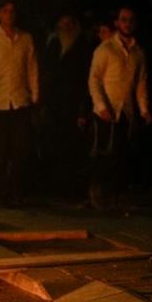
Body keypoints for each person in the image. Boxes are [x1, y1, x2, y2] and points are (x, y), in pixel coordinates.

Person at [0, 0, 39, 207]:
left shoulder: (26, 39)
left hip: (21, 100)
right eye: (5, 11)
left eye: (12, 11)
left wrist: (35, 96)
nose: (9, 14)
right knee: (0, 151)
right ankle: (2, 191)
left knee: (21, 150)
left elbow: (32, 68)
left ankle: (17, 191)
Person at [87, 6, 152, 209]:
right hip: (106, 110)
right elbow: (94, 79)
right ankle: (97, 193)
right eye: (123, 19)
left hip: (126, 110)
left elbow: (141, 83)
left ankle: (114, 195)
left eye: (131, 20)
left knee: (121, 154)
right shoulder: (105, 49)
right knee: (105, 152)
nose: (127, 23)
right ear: (117, 22)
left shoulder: (138, 52)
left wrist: (144, 110)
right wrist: (101, 105)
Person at [39, 13, 94, 197]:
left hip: (74, 103)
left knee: (73, 146)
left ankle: (73, 188)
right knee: (54, 144)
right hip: (55, 104)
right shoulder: (53, 45)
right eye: (63, 23)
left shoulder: (83, 47)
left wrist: (83, 107)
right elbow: (47, 73)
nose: (66, 27)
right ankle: (55, 187)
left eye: (70, 23)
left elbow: (86, 77)